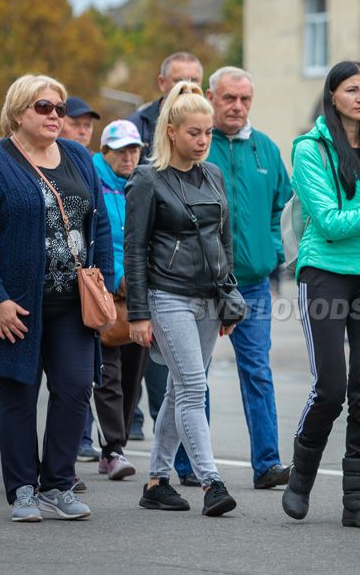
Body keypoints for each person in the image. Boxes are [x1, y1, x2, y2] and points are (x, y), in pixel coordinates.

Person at [0, 74, 114, 522]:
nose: (54, 116)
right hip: (17, 306)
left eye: (59, 109)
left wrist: (102, 275)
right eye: (43, 107)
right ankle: (23, 489)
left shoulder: (79, 157)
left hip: (72, 305)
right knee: (18, 398)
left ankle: (58, 485)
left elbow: (97, 221)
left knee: (73, 389)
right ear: (18, 111)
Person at [281, 61, 360, 530]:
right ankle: (301, 476)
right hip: (324, 273)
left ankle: (357, 498)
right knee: (332, 387)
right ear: (332, 96)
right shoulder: (308, 149)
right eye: (351, 90)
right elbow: (332, 224)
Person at [124, 81, 238, 517]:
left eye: (208, 132)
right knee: (194, 386)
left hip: (209, 299)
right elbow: (134, 248)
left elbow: (225, 243)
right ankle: (211, 481)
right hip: (166, 296)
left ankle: (156, 481)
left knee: (178, 388)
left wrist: (229, 300)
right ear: (171, 131)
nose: (204, 140)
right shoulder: (147, 179)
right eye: (195, 132)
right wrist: (138, 313)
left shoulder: (214, 175)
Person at [202, 66, 292, 489]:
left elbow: (284, 209)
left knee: (257, 370)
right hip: (200, 284)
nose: (237, 107)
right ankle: (190, 465)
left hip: (253, 284)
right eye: (229, 99)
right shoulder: (198, 145)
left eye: (244, 99)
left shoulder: (266, 150)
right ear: (211, 97)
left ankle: (267, 464)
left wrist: (273, 250)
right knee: (192, 375)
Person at [90, 119, 144, 480]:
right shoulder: (92, 182)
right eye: (121, 149)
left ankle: (115, 443)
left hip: (139, 294)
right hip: (106, 292)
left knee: (132, 377)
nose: (128, 156)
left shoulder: (142, 183)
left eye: (134, 149)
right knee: (107, 372)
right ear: (105, 151)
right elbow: (96, 237)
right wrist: (115, 278)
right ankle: (113, 448)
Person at [128, 52, 204, 157]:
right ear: (162, 82)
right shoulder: (135, 127)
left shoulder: (213, 126)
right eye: (179, 81)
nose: (187, 87)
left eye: (194, 80)